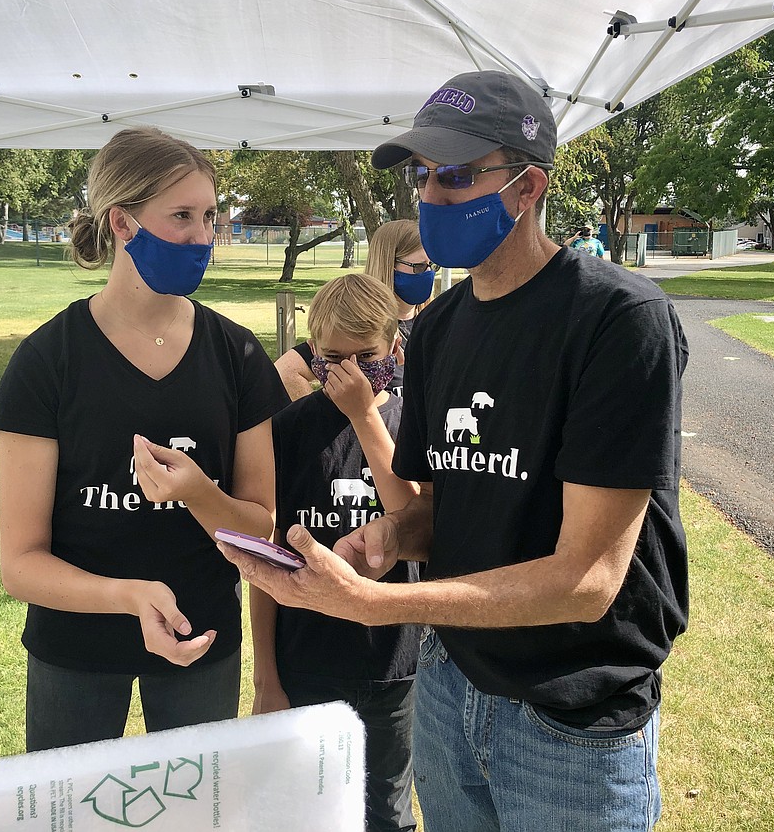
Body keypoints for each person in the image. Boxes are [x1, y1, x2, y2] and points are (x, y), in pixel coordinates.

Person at [222, 71, 690, 832]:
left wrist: (378, 600)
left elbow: (588, 580)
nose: (431, 197)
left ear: (528, 186)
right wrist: (387, 538)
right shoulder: (437, 329)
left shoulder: (617, 321)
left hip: (571, 712)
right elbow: (436, 509)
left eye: (456, 175)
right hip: (450, 686)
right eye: (421, 175)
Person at [0, 127, 288, 752]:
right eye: (181, 216)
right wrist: (129, 598)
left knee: (196, 817)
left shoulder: (236, 356)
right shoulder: (49, 360)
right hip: (75, 651)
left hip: (202, 642)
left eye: (210, 216)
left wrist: (200, 494)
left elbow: (261, 531)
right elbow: (20, 564)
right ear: (121, 222)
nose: (204, 236)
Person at [251, 274, 421, 832]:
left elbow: (412, 517)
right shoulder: (286, 432)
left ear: (394, 349)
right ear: (309, 352)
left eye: (364, 357)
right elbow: (265, 564)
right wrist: (267, 680)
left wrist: (363, 416)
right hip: (307, 663)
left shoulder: (411, 424)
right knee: (307, 810)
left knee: (387, 810)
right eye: (331, 359)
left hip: (392, 663)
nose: (348, 375)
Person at [274, 220, 436, 400]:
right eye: (420, 267)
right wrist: (320, 420)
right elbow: (286, 371)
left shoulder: (436, 323)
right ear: (389, 264)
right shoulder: (357, 324)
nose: (428, 273)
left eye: (432, 266)